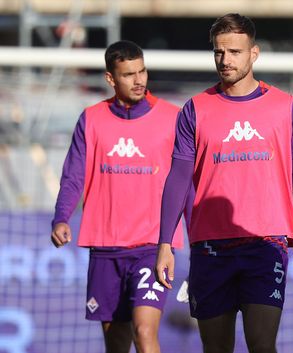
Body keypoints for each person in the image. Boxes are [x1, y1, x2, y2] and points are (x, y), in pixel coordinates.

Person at [156, 13, 293, 353]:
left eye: (234, 52)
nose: (225, 60)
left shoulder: (284, 107)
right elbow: (179, 177)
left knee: (261, 344)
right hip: (210, 247)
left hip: (266, 243)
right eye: (218, 52)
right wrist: (165, 242)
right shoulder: (195, 109)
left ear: (253, 53)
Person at [50, 40, 191, 353]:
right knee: (116, 343)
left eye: (142, 71)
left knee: (144, 332)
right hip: (105, 246)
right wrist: (61, 217)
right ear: (110, 79)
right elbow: (74, 175)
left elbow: (187, 184)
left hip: (152, 246)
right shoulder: (91, 119)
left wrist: (196, 236)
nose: (139, 80)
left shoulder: (173, 118)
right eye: (129, 74)